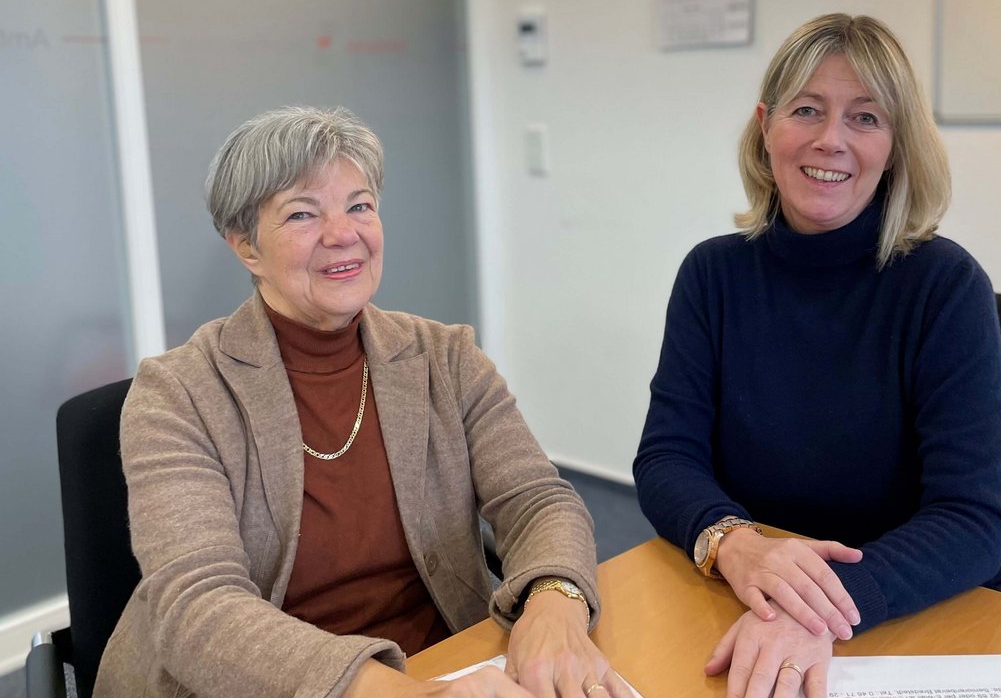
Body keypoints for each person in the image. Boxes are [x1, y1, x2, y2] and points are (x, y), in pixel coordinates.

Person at [96, 107, 630, 698]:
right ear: (246, 247)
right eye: (302, 213)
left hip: (443, 659)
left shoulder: (446, 357)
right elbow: (200, 610)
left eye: (359, 204)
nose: (343, 233)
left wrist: (555, 605)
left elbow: (537, 500)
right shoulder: (179, 393)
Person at [633, 14, 1001, 698]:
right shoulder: (713, 275)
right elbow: (667, 458)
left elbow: (972, 520)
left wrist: (819, 607)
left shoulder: (945, 286)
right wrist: (735, 543)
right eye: (807, 109)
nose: (830, 140)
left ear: (896, 145)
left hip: (920, 609)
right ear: (766, 124)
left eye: (865, 118)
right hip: (752, 597)